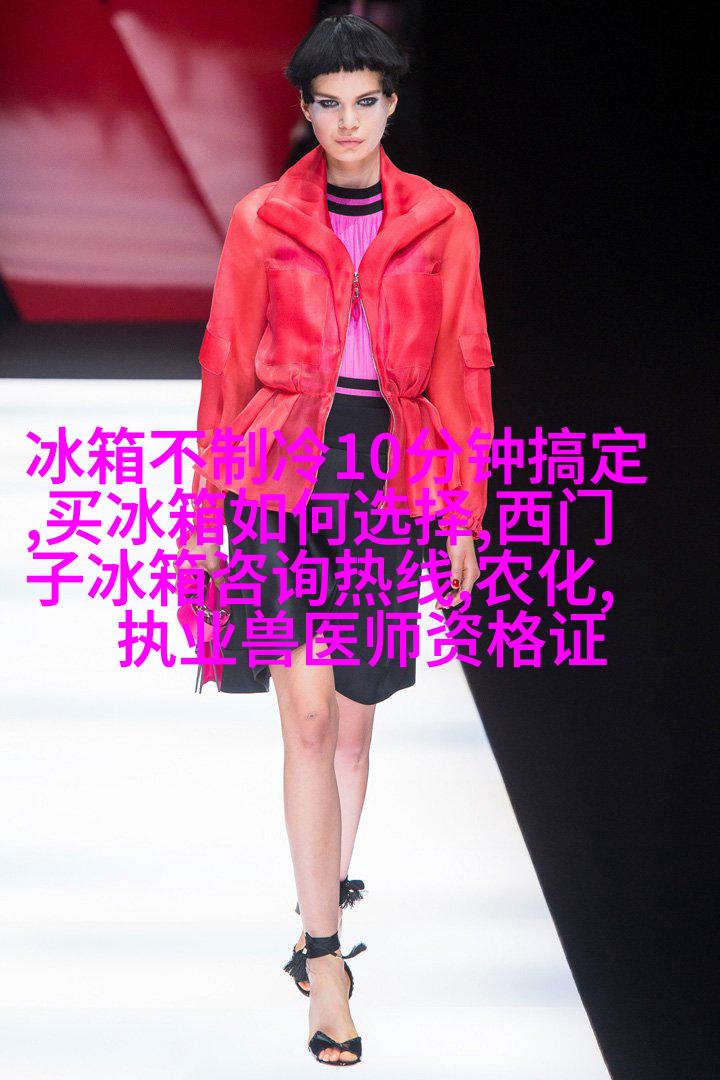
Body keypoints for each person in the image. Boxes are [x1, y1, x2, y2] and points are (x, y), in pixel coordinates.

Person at [182, 14, 494, 1066]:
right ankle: (325, 966)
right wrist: (207, 507)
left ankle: (324, 901)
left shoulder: (444, 221)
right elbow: (226, 361)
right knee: (308, 722)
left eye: (367, 101)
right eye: (329, 104)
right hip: (280, 468)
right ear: (305, 110)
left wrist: (463, 511)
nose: (349, 122)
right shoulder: (262, 217)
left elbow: (463, 367)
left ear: (391, 106)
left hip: (387, 475)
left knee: (354, 727)